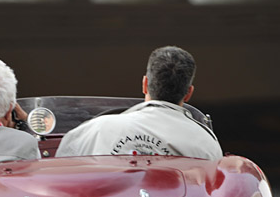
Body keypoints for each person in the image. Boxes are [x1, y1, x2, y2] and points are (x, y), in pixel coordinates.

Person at [56, 46, 223, 160]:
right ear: (188, 93)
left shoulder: (93, 131)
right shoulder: (206, 143)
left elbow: (62, 177)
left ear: (144, 84)